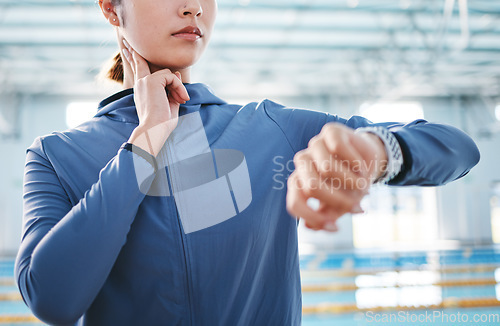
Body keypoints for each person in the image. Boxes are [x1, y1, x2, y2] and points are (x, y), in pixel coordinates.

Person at [15, 0, 480, 325]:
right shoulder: (57, 155)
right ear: (110, 8)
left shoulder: (270, 129)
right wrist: (145, 144)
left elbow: (458, 148)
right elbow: (53, 298)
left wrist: (377, 153)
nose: (193, 6)